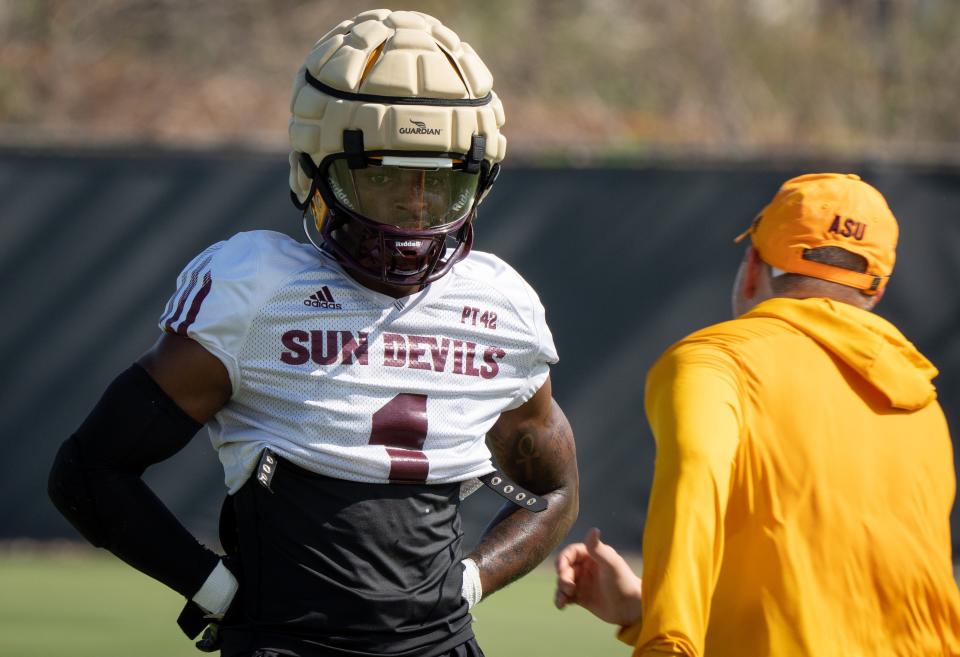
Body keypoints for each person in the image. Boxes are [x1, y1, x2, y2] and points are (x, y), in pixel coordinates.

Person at [48, 9, 579, 657]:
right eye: (382, 179)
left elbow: (553, 489)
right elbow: (88, 471)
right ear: (313, 168)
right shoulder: (257, 291)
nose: (414, 214)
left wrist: (470, 580)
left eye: (442, 184)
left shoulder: (498, 304)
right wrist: (215, 589)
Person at [554, 173, 960, 656]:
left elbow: (694, 495)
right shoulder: (919, 403)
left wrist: (666, 637)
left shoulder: (714, 362)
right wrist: (645, 607)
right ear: (874, 294)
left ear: (752, 268)